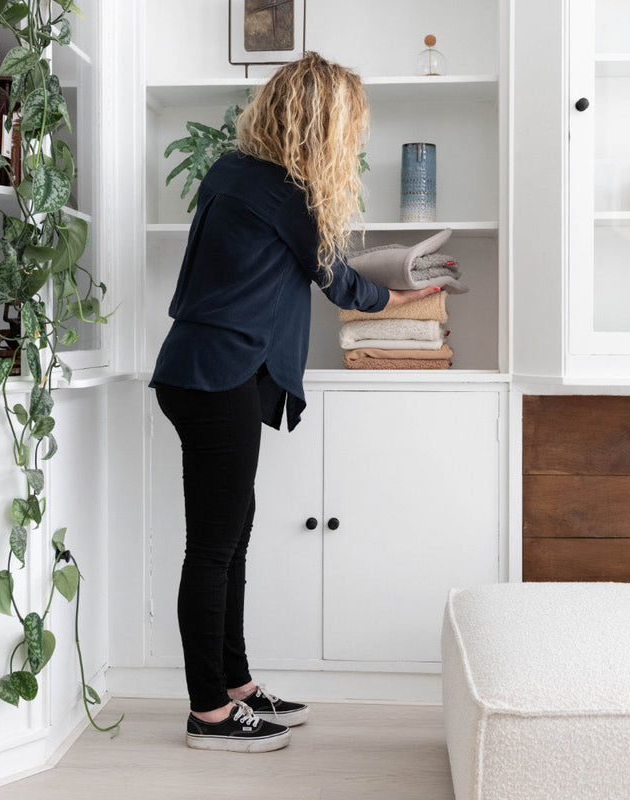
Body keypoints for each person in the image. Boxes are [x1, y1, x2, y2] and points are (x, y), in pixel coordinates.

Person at [150, 52, 441, 753]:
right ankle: (208, 714)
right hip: (217, 372)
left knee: (232, 537)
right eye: (354, 125)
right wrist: (399, 297)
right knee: (215, 548)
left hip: (205, 368)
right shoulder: (282, 191)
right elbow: (337, 279)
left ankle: (236, 685)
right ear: (324, 122)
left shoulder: (235, 172)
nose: (359, 138)